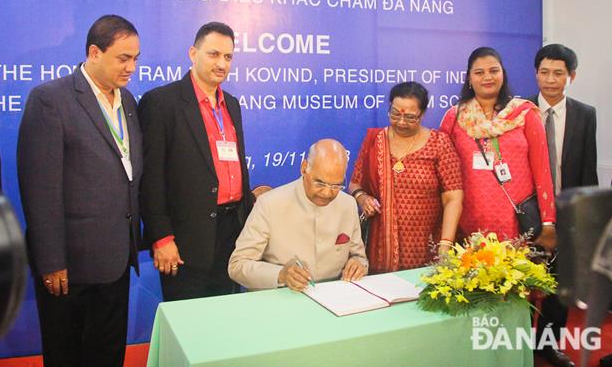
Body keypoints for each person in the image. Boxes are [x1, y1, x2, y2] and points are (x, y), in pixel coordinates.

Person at [17, 15, 142, 367]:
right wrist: (51, 260)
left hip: (117, 261)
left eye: (135, 59)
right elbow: (38, 188)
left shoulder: (128, 103)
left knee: (108, 354)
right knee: (68, 356)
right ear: (94, 52)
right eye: (123, 58)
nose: (131, 67)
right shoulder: (50, 100)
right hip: (69, 269)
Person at [139, 21, 252, 301]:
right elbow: (151, 179)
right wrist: (162, 238)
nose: (221, 64)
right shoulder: (162, 103)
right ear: (193, 53)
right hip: (184, 240)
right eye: (213, 54)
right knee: (190, 327)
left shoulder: (232, 105)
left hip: (231, 236)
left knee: (226, 324)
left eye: (228, 57)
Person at [439, 47, 557, 252]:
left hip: (517, 220)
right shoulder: (455, 117)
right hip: (468, 221)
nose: (487, 77)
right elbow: (442, 175)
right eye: (479, 72)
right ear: (469, 78)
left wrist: (548, 222)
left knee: (517, 281)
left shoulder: (524, 114)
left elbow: (542, 170)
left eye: (494, 70)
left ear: (503, 73)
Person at [530, 44, 598, 367]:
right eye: (544, 72)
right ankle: (512, 344)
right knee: (522, 281)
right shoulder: (518, 111)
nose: (550, 80)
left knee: (560, 285)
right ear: (535, 74)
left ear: (572, 76)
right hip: (526, 214)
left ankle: (547, 345)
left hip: (567, 212)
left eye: (558, 73)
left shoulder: (586, 115)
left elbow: (588, 168)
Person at [348, 82, 463, 273]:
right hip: (380, 249)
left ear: (423, 114)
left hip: (428, 246)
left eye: (410, 117)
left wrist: (445, 244)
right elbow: (354, 184)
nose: (401, 122)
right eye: (395, 114)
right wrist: (362, 197)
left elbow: (453, 198)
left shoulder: (439, 143)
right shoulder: (375, 141)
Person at [228, 139, 368, 291]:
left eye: (336, 186)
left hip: (334, 300)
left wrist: (359, 264)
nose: (327, 193)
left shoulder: (347, 204)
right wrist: (280, 275)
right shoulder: (269, 204)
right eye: (320, 183)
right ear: (304, 168)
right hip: (281, 302)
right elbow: (237, 265)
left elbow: (359, 257)